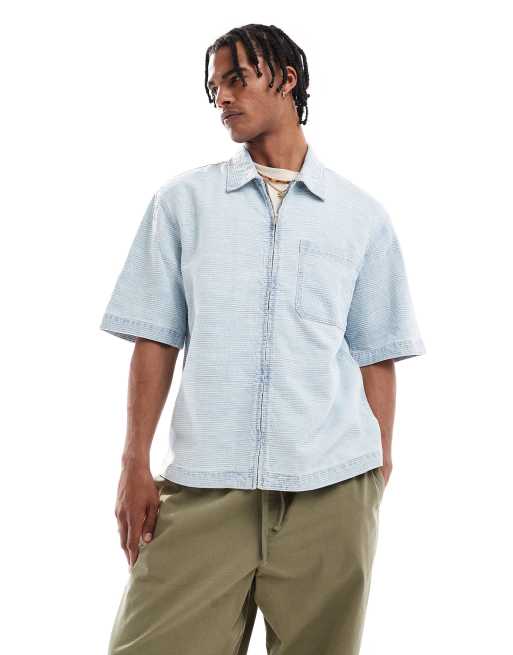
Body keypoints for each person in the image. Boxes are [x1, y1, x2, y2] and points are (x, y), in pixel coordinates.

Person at [100, 23, 426, 655]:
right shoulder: (183, 204)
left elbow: (376, 352)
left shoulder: (359, 217)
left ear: (287, 79)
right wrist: (132, 465)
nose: (223, 97)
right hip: (206, 486)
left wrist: (376, 470)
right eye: (215, 87)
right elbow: (155, 339)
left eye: (237, 79)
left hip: (331, 489)